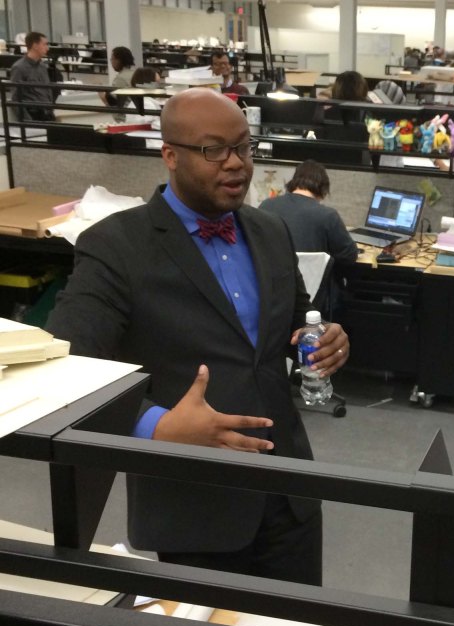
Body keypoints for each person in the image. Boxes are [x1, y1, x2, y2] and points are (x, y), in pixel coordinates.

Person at [46, 88, 350, 583]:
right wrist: (157, 426)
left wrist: (327, 339)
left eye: (243, 147)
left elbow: (297, 322)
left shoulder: (270, 230)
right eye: (214, 150)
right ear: (170, 155)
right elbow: (69, 367)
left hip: (288, 491)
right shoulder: (116, 246)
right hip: (193, 500)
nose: (236, 164)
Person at [259, 160, 358, 267]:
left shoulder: (266, 206)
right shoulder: (327, 215)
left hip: (274, 281)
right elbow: (349, 256)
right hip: (314, 282)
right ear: (323, 188)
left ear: (293, 182)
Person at [9, 31, 55, 121]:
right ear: (35, 45)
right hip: (33, 115)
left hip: (47, 114)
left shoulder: (42, 66)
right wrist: (28, 120)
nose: (47, 48)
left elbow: (47, 90)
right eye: (44, 44)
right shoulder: (19, 68)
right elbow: (15, 98)